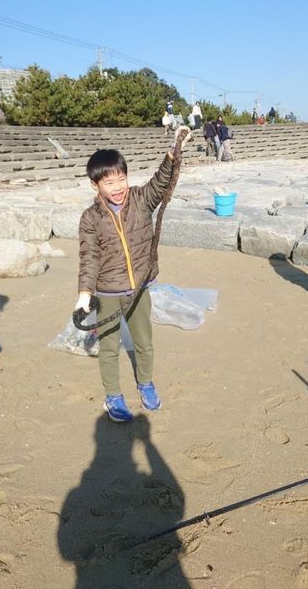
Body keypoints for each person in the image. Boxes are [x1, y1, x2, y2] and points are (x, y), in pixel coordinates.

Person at [75, 129, 189, 423]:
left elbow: (160, 183)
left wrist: (172, 153)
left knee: (144, 342)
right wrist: (85, 295)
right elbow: (89, 257)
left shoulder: (141, 199)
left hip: (140, 289)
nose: (118, 187)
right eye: (109, 182)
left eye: (121, 179)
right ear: (95, 185)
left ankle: (146, 383)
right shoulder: (90, 218)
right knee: (110, 348)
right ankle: (113, 394)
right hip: (108, 293)